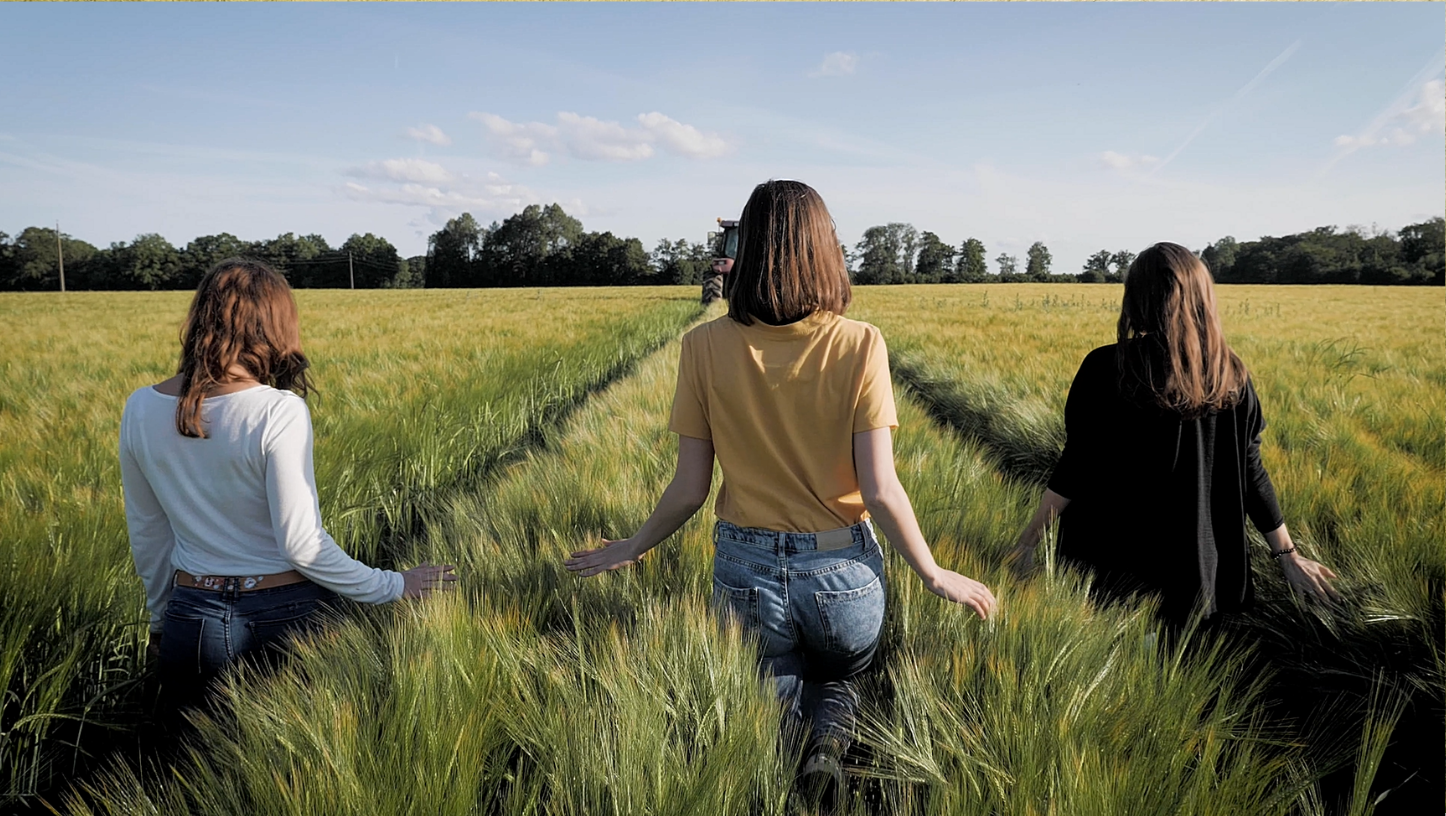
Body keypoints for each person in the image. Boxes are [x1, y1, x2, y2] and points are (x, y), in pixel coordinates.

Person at [564, 180, 996, 808]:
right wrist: (932, 574)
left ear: (748, 250)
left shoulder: (702, 346)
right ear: (824, 249)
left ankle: (785, 755)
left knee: (772, 676)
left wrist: (632, 546)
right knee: (842, 672)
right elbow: (878, 488)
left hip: (745, 569)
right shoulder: (860, 343)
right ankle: (828, 740)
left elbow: (689, 488)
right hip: (843, 572)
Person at [120, 259, 455, 702]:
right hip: (281, 615)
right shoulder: (278, 410)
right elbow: (301, 545)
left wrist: (163, 622)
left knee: (191, 767)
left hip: (191, 615)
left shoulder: (140, 408)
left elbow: (149, 535)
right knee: (289, 770)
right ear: (274, 325)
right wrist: (395, 585)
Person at [1007, 242, 1340, 628]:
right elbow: (1251, 473)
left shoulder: (1106, 367)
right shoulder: (1231, 375)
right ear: (1203, 298)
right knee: (1171, 663)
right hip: (1194, 567)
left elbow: (1076, 467)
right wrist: (1288, 555)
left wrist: (1027, 542)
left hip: (1109, 561)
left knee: (1123, 670)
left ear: (1137, 298)